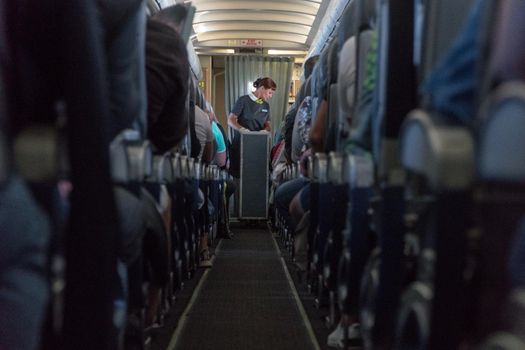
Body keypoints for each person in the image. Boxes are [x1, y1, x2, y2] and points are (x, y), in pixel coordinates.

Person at [227, 77, 276, 177]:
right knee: (240, 176)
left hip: (258, 146)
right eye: (270, 93)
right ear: (262, 88)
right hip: (242, 144)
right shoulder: (244, 100)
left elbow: (268, 125)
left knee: (256, 178)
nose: (270, 96)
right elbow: (230, 120)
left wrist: (265, 131)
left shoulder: (265, 105)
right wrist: (242, 129)